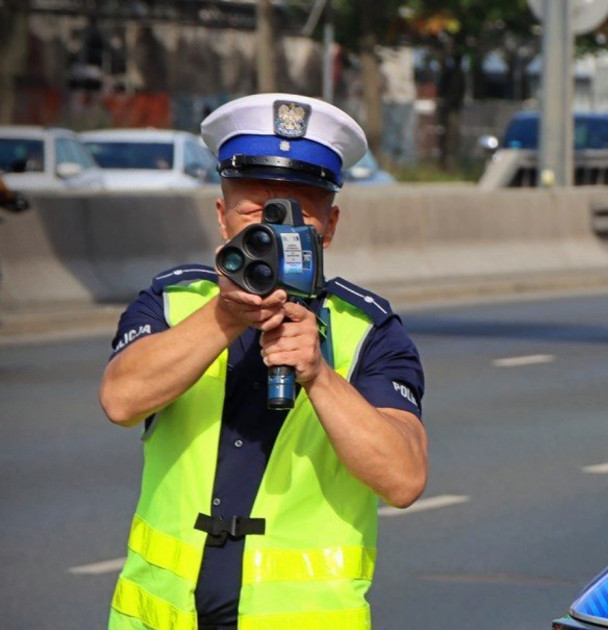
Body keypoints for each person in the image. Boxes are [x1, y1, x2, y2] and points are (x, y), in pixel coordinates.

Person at [99, 93, 427, 630]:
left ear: (331, 224)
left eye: (300, 211)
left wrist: (320, 376)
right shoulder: (173, 303)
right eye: (258, 212)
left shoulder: (368, 330)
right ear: (223, 217)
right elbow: (120, 400)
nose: (277, 231)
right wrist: (224, 317)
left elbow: (404, 478)